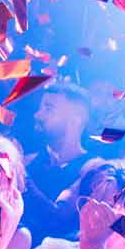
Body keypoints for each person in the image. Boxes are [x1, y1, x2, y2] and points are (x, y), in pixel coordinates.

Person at [25, 81, 101, 238]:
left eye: (48, 108)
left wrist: (21, 176)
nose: (37, 115)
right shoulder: (27, 162)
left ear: (75, 120)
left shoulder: (92, 169)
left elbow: (57, 220)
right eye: (40, 108)